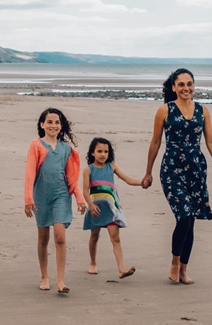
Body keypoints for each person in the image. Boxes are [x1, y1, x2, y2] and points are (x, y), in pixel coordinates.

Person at [143, 68, 212, 285]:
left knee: (191, 220)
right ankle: (174, 262)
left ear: (194, 86)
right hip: (172, 169)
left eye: (189, 84)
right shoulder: (165, 110)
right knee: (184, 216)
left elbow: (210, 141)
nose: (186, 88)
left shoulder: (203, 110)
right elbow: (155, 142)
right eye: (181, 84)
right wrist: (148, 172)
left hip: (196, 170)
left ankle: (183, 269)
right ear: (173, 87)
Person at [24, 108, 86, 295]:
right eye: (49, 122)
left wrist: (79, 198)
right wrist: (28, 199)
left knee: (60, 237)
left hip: (61, 195)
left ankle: (60, 281)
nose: (53, 125)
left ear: (61, 126)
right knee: (43, 238)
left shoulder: (66, 149)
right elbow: (30, 173)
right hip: (41, 196)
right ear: (42, 124)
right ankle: (44, 276)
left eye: (57, 122)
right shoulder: (36, 145)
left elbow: (71, 178)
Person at [83, 137, 141, 279]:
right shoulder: (88, 170)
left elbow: (128, 179)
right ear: (92, 153)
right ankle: (93, 263)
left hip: (111, 209)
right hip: (96, 209)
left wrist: (142, 183)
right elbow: (85, 190)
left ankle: (121, 269)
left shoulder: (112, 167)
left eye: (106, 151)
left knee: (115, 238)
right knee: (94, 236)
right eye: (99, 151)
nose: (103, 154)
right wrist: (91, 205)